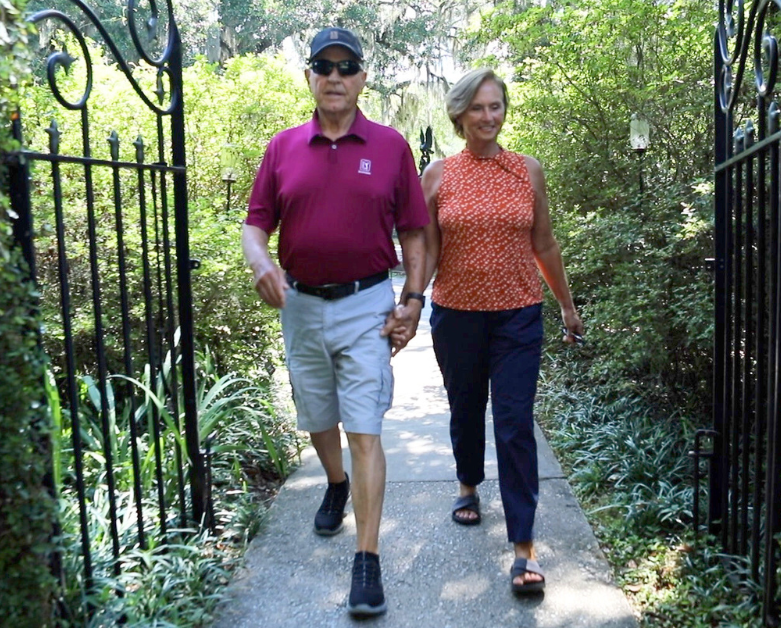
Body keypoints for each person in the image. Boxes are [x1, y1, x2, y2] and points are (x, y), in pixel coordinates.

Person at [241, 26, 428, 617]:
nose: (336, 77)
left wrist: (414, 300)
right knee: (317, 417)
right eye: (325, 66)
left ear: (363, 77)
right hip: (299, 305)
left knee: (364, 427)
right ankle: (336, 483)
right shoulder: (282, 147)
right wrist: (260, 263)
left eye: (347, 67)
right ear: (310, 77)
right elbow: (254, 226)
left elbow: (415, 231)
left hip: (366, 306)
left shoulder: (391, 146)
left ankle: (367, 560)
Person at [420, 68, 584, 596]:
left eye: (496, 107)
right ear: (459, 114)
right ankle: (468, 485)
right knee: (465, 407)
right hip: (457, 314)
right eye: (478, 108)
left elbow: (546, 244)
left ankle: (523, 547)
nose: (489, 117)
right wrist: (409, 301)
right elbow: (425, 249)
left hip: (518, 315)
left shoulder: (527, 171)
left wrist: (566, 305)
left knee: (514, 423)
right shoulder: (439, 174)